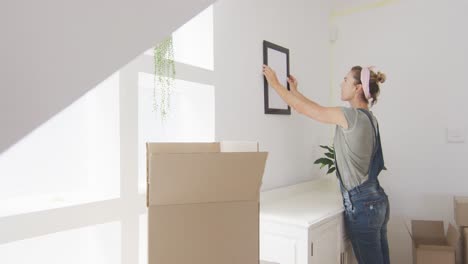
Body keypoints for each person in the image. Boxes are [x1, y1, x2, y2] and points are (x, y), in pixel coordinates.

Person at [262, 64, 390, 264]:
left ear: (357, 88)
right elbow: (317, 109)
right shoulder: (369, 119)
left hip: (363, 206)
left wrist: (275, 84)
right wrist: (295, 91)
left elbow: (304, 110)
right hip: (377, 200)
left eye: (346, 80)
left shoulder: (351, 117)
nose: (342, 83)